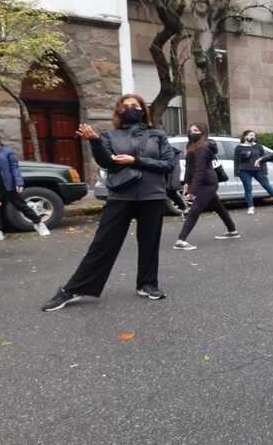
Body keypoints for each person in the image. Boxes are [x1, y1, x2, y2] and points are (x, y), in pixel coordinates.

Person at [41, 94, 174, 311]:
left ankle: (148, 284)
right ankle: (73, 289)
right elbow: (106, 162)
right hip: (121, 195)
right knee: (103, 243)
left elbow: (167, 164)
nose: (131, 109)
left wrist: (136, 160)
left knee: (150, 242)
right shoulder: (109, 136)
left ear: (143, 110)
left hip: (153, 195)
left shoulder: (157, 135)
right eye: (126, 106)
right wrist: (94, 141)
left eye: (136, 105)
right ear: (119, 111)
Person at [173, 123, 239, 250]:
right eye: (191, 130)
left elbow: (200, 170)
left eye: (196, 130)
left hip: (207, 183)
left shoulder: (202, 147)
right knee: (219, 207)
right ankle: (232, 230)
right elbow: (190, 167)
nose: (192, 132)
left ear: (203, 133)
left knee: (194, 211)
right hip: (203, 182)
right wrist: (187, 183)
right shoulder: (193, 146)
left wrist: (193, 190)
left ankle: (181, 240)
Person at [0, 128, 51, 242]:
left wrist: (18, 182)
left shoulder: (6, 151)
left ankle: (39, 223)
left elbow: (14, 168)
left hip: (6, 184)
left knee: (21, 205)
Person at [234, 130, 273, 215]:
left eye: (254, 136)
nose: (253, 137)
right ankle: (251, 207)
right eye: (251, 135)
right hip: (244, 171)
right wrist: (236, 172)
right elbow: (236, 161)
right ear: (245, 136)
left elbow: (263, 159)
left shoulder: (258, 146)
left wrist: (264, 171)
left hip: (258, 170)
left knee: (267, 186)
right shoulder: (239, 148)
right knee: (248, 188)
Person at [165, 144, 189, 218]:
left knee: (170, 191)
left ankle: (185, 210)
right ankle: (185, 210)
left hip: (168, 175)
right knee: (170, 192)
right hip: (168, 175)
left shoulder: (168, 150)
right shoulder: (168, 149)